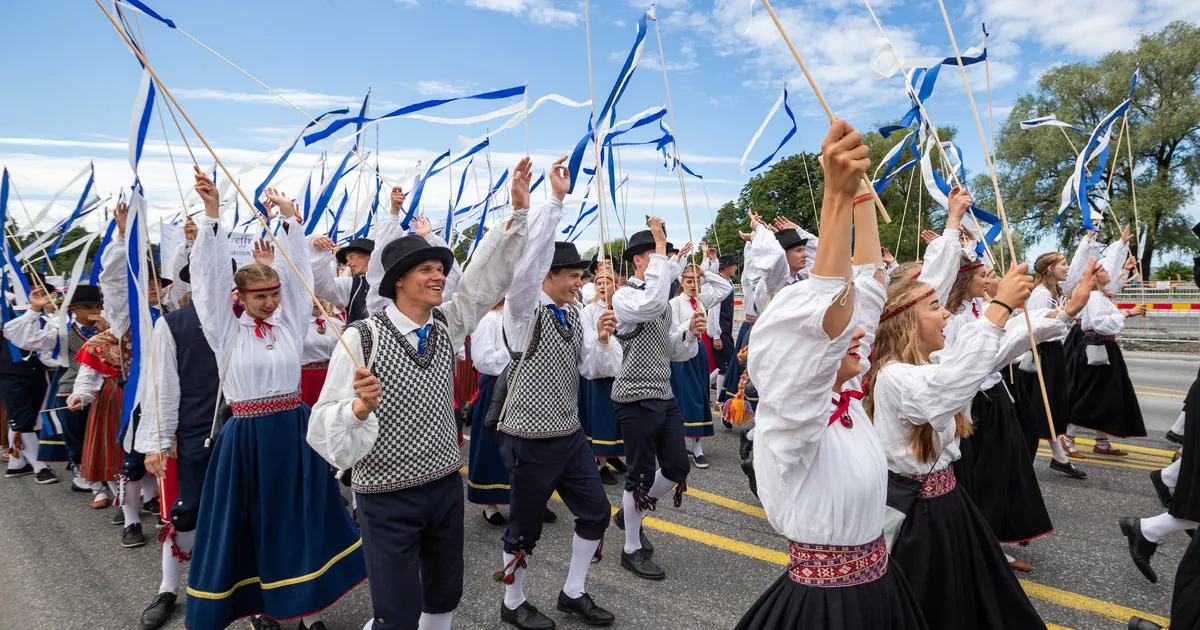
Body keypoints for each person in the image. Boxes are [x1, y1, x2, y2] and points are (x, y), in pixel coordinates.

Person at [307, 157, 532, 630]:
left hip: (444, 486)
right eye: (427, 269)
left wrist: (517, 216)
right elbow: (322, 427)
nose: (438, 276)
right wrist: (357, 409)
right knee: (396, 609)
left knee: (445, 594)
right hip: (386, 496)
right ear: (399, 282)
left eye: (440, 269)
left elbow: (482, 279)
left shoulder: (447, 324)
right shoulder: (361, 338)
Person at [739, 119, 928, 630]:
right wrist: (834, 198)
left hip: (879, 589)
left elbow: (863, 291)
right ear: (807, 354)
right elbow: (825, 312)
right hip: (827, 609)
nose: (854, 340)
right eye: (835, 340)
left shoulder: (841, 392)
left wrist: (862, 202)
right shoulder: (792, 417)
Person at [185, 170, 364, 630]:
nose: (269, 302)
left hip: (294, 433)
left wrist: (290, 224)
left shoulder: (289, 323)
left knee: (302, 520)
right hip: (247, 440)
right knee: (255, 523)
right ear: (239, 297)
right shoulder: (225, 331)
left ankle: (311, 609)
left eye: (274, 294)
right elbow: (205, 282)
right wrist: (212, 215)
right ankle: (263, 609)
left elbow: (299, 275)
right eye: (259, 296)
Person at [865, 224, 1050, 628]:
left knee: (977, 600)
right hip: (917, 516)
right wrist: (999, 308)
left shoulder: (927, 364)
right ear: (906, 321)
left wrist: (1060, 313)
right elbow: (953, 385)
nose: (946, 312)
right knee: (934, 607)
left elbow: (985, 356)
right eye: (934, 306)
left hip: (948, 504)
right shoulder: (895, 376)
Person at [943, 246, 1095, 573]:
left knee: (1005, 470)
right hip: (974, 403)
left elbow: (1014, 332)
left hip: (993, 395)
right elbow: (989, 353)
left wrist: (1066, 312)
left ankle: (988, 538)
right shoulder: (955, 320)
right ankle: (982, 544)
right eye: (985, 275)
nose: (990, 279)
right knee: (987, 476)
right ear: (964, 279)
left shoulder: (976, 310)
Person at [609, 219, 706, 581]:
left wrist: (687, 333)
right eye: (654, 255)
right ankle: (631, 547)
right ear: (638, 261)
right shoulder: (625, 296)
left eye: (662, 255)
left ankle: (630, 514)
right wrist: (664, 252)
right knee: (639, 474)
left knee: (678, 466)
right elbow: (649, 305)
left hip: (663, 393)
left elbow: (669, 350)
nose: (662, 261)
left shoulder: (660, 302)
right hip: (634, 397)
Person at [5, 282, 105, 492]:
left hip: (108, 384)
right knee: (74, 428)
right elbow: (24, 340)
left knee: (106, 432)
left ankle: (109, 473)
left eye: (97, 306)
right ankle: (80, 468)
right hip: (71, 382)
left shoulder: (111, 324)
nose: (94, 311)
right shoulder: (61, 328)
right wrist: (34, 310)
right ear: (73, 309)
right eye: (87, 306)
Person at [1012, 232, 1092, 478]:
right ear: (1049, 270)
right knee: (1039, 407)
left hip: (1052, 352)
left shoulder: (1055, 291)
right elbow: (1034, 329)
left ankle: (1058, 457)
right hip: (1042, 354)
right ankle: (1026, 460)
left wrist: (1089, 241)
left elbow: (1079, 271)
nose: (1068, 268)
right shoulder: (1042, 295)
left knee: (1050, 407)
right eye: (1063, 264)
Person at [1064, 226, 1147, 455]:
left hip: (1102, 346)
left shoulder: (1099, 293)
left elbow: (1111, 282)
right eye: (1102, 270)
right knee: (1087, 392)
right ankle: (1068, 437)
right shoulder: (1091, 295)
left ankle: (1101, 442)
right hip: (1092, 344)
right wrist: (1127, 313)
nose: (1109, 272)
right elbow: (1100, 321)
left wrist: (1122, 253)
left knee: (1105, 394)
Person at [307, 187, 403, 325]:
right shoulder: (351, 285)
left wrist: (394, 213)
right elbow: (320, 285)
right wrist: (314, 247)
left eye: (352, 257)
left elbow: (386, 242)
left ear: (369, 257)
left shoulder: (398, 284)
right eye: (346, 260)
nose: (348, 263)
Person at [669, 260, 732, 469]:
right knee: (683, 398)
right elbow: (674, 333)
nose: (693, 285)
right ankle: (679, 443)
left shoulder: (703, 299)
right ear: (682, 282)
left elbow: (726, 288)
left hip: (699, 352)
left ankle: (697, 446)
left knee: (700, 396)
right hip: (682, 354)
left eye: (696, 281)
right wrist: (691, 323)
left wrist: (705, 273)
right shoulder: (675, 304)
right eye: (688, 281)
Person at [1, 273, 57, 485]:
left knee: (33, 416)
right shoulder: (5, 305)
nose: (39, 290)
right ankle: (39, 466)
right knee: (21, 417)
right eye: (34, 286)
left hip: (36, 368)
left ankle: (17, 464)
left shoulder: (45, 308)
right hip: (10, 369)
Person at [465, 302, 513, 523]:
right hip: (495, 388)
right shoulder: (490, 320)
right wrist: (515, 352)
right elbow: (483, 361)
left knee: (523, 448)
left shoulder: (526, 318)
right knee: (490, 447)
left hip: (521, 387)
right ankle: (489, 503)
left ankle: (526, 500)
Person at [579, 265, 625, 485]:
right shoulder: (588, 311)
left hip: (618, 373)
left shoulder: (622, 308)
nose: (601, 285)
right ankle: (600, 462)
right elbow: (588, 342)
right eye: (598, 282)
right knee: (600, 419)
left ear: (615, 285)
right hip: (598, 372)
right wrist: (603, 340)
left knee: (615, 418)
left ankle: (613, 453)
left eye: (606, 281)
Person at [701, 250, 737, 412]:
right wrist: (716, 335)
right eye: (732, 265)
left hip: (726, 330)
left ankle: (702, 387)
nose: (735, 268)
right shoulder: (717, 285)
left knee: (725, 366)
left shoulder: (727, 282)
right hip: (720, 331)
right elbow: (714, 311)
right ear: (726, 267)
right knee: (725, 367)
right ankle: (719, 402)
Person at [299, 298, 343, 407]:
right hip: (308, 379)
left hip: (332, 376)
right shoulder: (299, 326)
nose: (315, 301)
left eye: (318, 296)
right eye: (310, 297)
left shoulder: (336, 323)